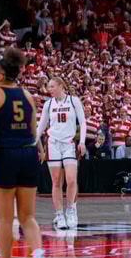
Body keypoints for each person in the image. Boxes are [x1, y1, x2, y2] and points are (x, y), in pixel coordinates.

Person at [0, 48, 45, 258]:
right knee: (28, 217)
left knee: (5, 220)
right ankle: (39, 253)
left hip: (6, 154)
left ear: (0, 75)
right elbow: (34, 130)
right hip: (29, 153)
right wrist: (40, 150)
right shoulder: (27, 95)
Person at [36, 77, 86, 230]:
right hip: (53, 144)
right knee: (56, 181)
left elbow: (83, 122)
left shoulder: (73, 101)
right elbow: (41, 125)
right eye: (48, 86)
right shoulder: (48, 104)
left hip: (69, 143)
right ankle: (59, 214)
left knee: (71, 180)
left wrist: (82, 141)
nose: (48, 89)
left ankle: (71, 209)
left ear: (60, 86)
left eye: (51, 86)